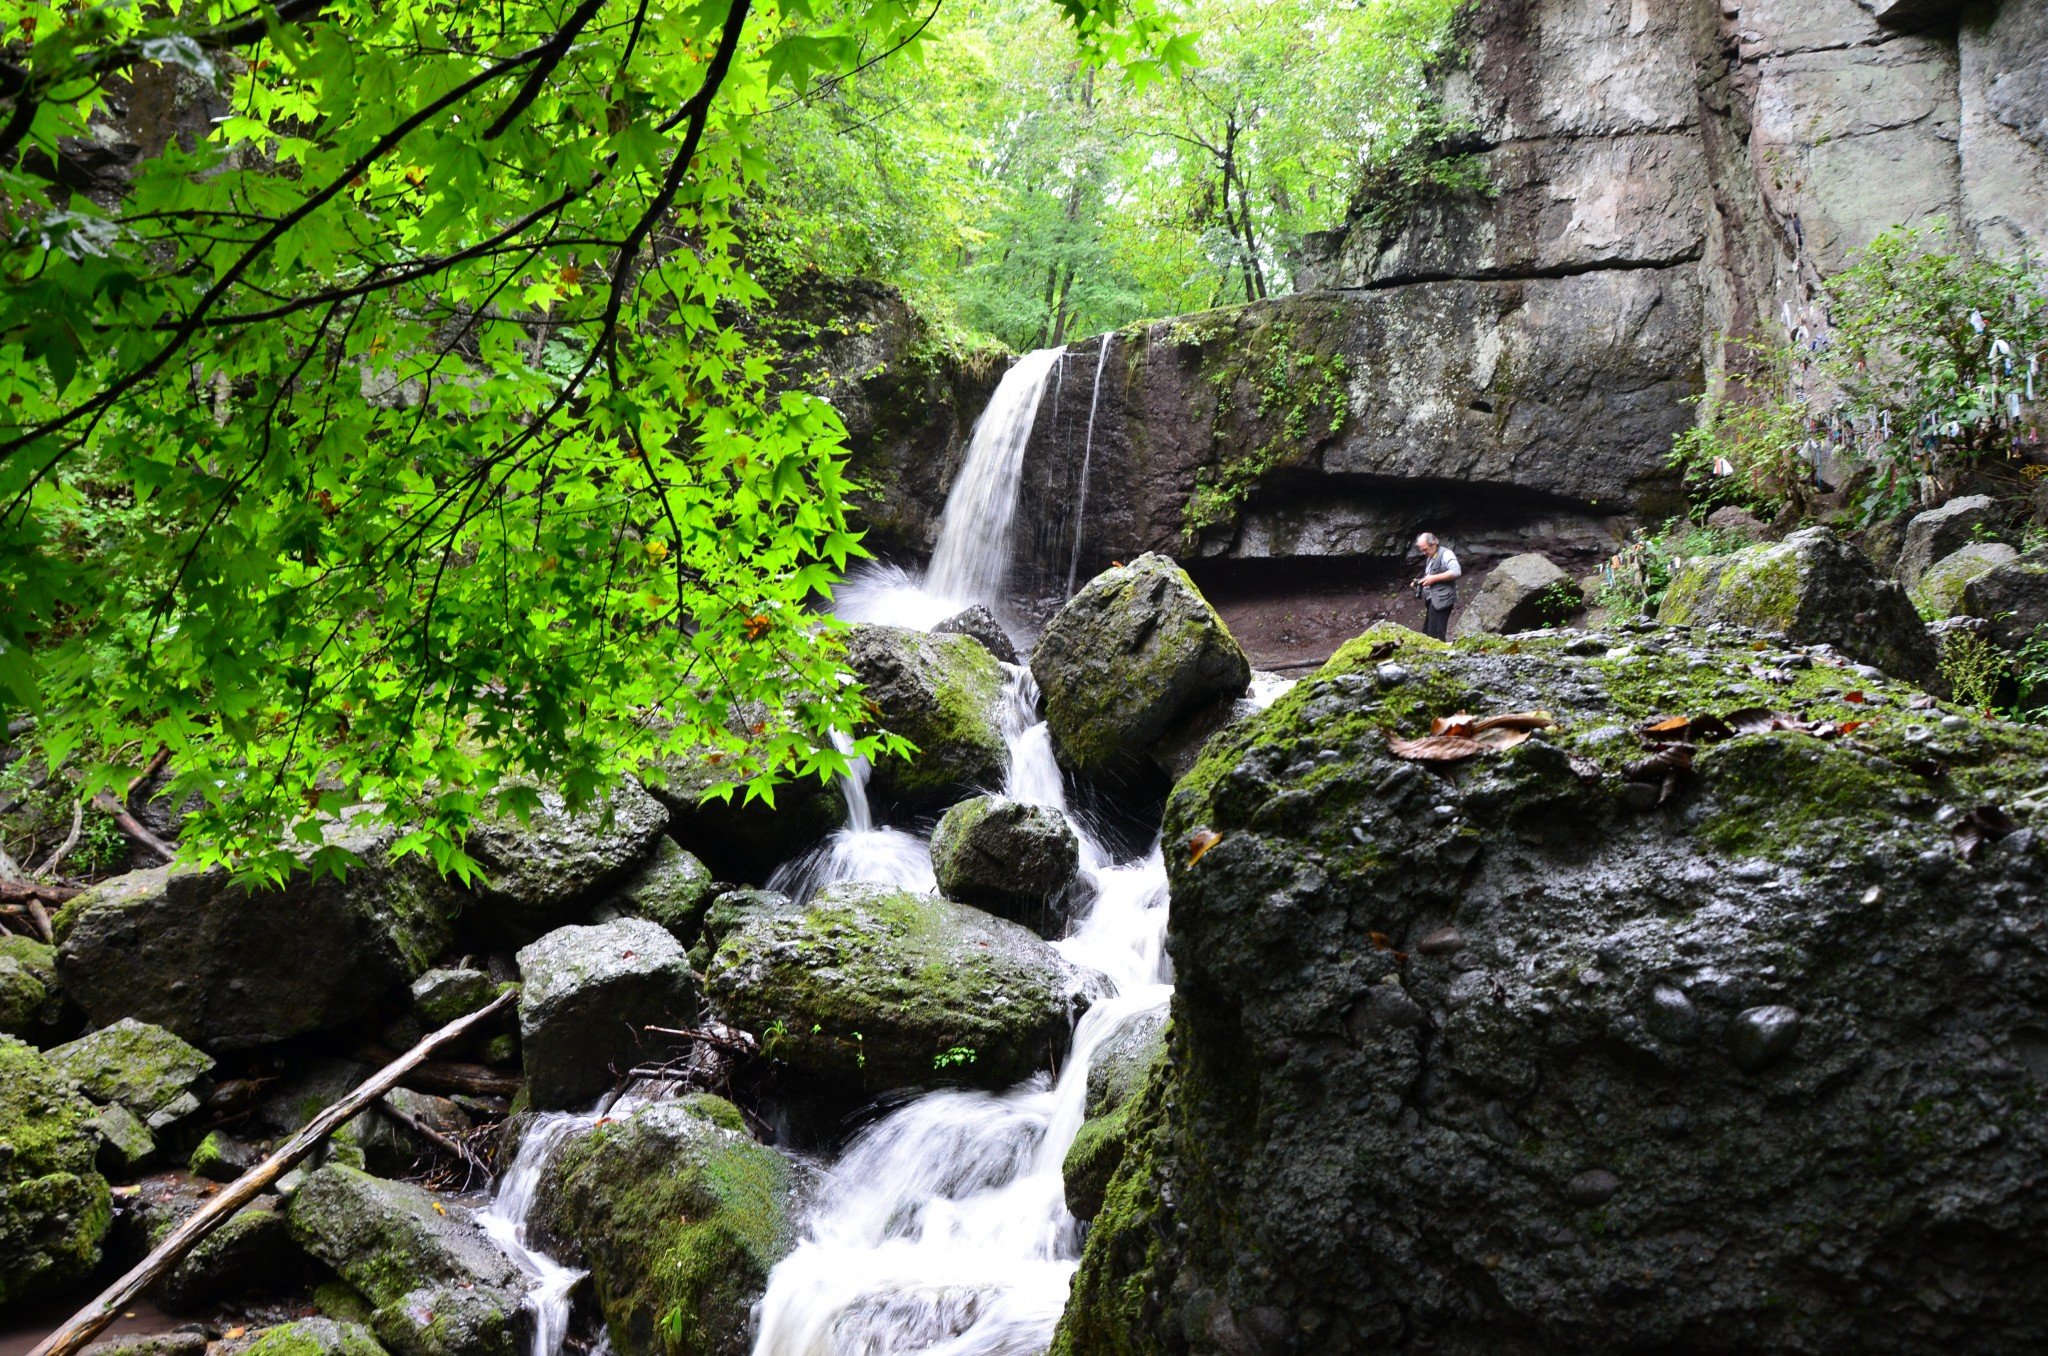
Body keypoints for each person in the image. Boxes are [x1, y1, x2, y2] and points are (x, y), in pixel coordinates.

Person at [1412, 532, 1461, 640]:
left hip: (1442, 600)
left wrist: (1433, 578)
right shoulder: (1431, 556)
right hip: (1433, 601)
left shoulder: (1446, 554)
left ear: (1433, 544)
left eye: (1425, 549)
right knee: (1427, 634)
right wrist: (1419, 582)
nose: (1424, 552)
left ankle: (1441, 655)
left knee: (1436, 636)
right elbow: (1431, 576)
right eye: (1422, 550)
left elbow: (1456, 571)